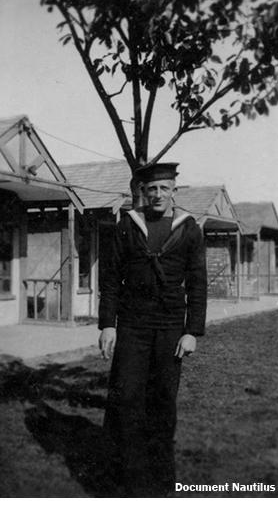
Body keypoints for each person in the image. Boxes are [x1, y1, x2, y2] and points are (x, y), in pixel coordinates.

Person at [98, 162, 207, 497]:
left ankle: (161, 484)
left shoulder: (189, 228)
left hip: (170, 328)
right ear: (142, 193)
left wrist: (192, 331)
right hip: (132, 325)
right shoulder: (127, 226)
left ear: (174, 190)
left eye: (164, 188)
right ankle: (125, 481)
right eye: (151, 189)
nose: (157, 194)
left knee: (162, 401)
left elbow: (198, 284)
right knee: (126, 398)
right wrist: (107, 325)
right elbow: (112, 281)